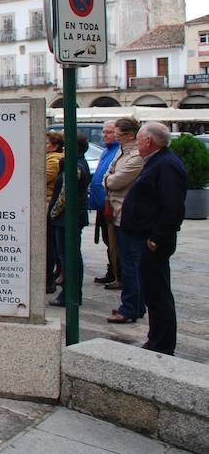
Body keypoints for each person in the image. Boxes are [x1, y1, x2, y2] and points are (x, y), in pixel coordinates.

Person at [121, 122, 186, 354]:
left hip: (154, 241)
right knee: (152, 291)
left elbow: (173, 207)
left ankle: (163, 344)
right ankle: (155, 338)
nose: (136, 144)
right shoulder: (158, 162)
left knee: (158, 293)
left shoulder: (166, 165)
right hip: (145, 236)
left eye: (138, 139)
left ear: (148, 141)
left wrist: (157, 238)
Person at [105, 117, 146, 323]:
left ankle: (131, 307)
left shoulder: (136, 156)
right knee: (126, 261)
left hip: (128, 215)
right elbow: (108, 175)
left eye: (118, 135)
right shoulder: (121, 152)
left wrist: (109, 179)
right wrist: (109, 178)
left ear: (130, 135)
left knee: (130, 264)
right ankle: (134, 305)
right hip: (117, 212)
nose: (114, 138)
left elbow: (115, 179)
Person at [48, 131, 91, 307]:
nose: (64, 149)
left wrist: (53, 213)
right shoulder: (75, 164)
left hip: (67, 218)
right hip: (69, 218)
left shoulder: (75, 166)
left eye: (66, 146)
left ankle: (70, 294)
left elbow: (64, 196)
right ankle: (72, 292)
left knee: (68, 257)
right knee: (68, 256)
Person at [89, 122, 120, 285]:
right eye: (103, 132)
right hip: (102, 206)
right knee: (107, 241)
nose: (104, 135)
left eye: (109, 132)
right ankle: (112, 270)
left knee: (114, 242)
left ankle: (117, 273)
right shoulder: (106, 150)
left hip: (112, 206)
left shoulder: (118, 151)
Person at [45, 131, 64, 292]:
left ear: (55, 146)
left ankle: (49, 280)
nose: (43, 145)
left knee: (49, 244)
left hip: (47, 203)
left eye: (46, 143)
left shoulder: (54, 160)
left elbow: (39, 176)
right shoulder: (48, 158)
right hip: (46, 202)